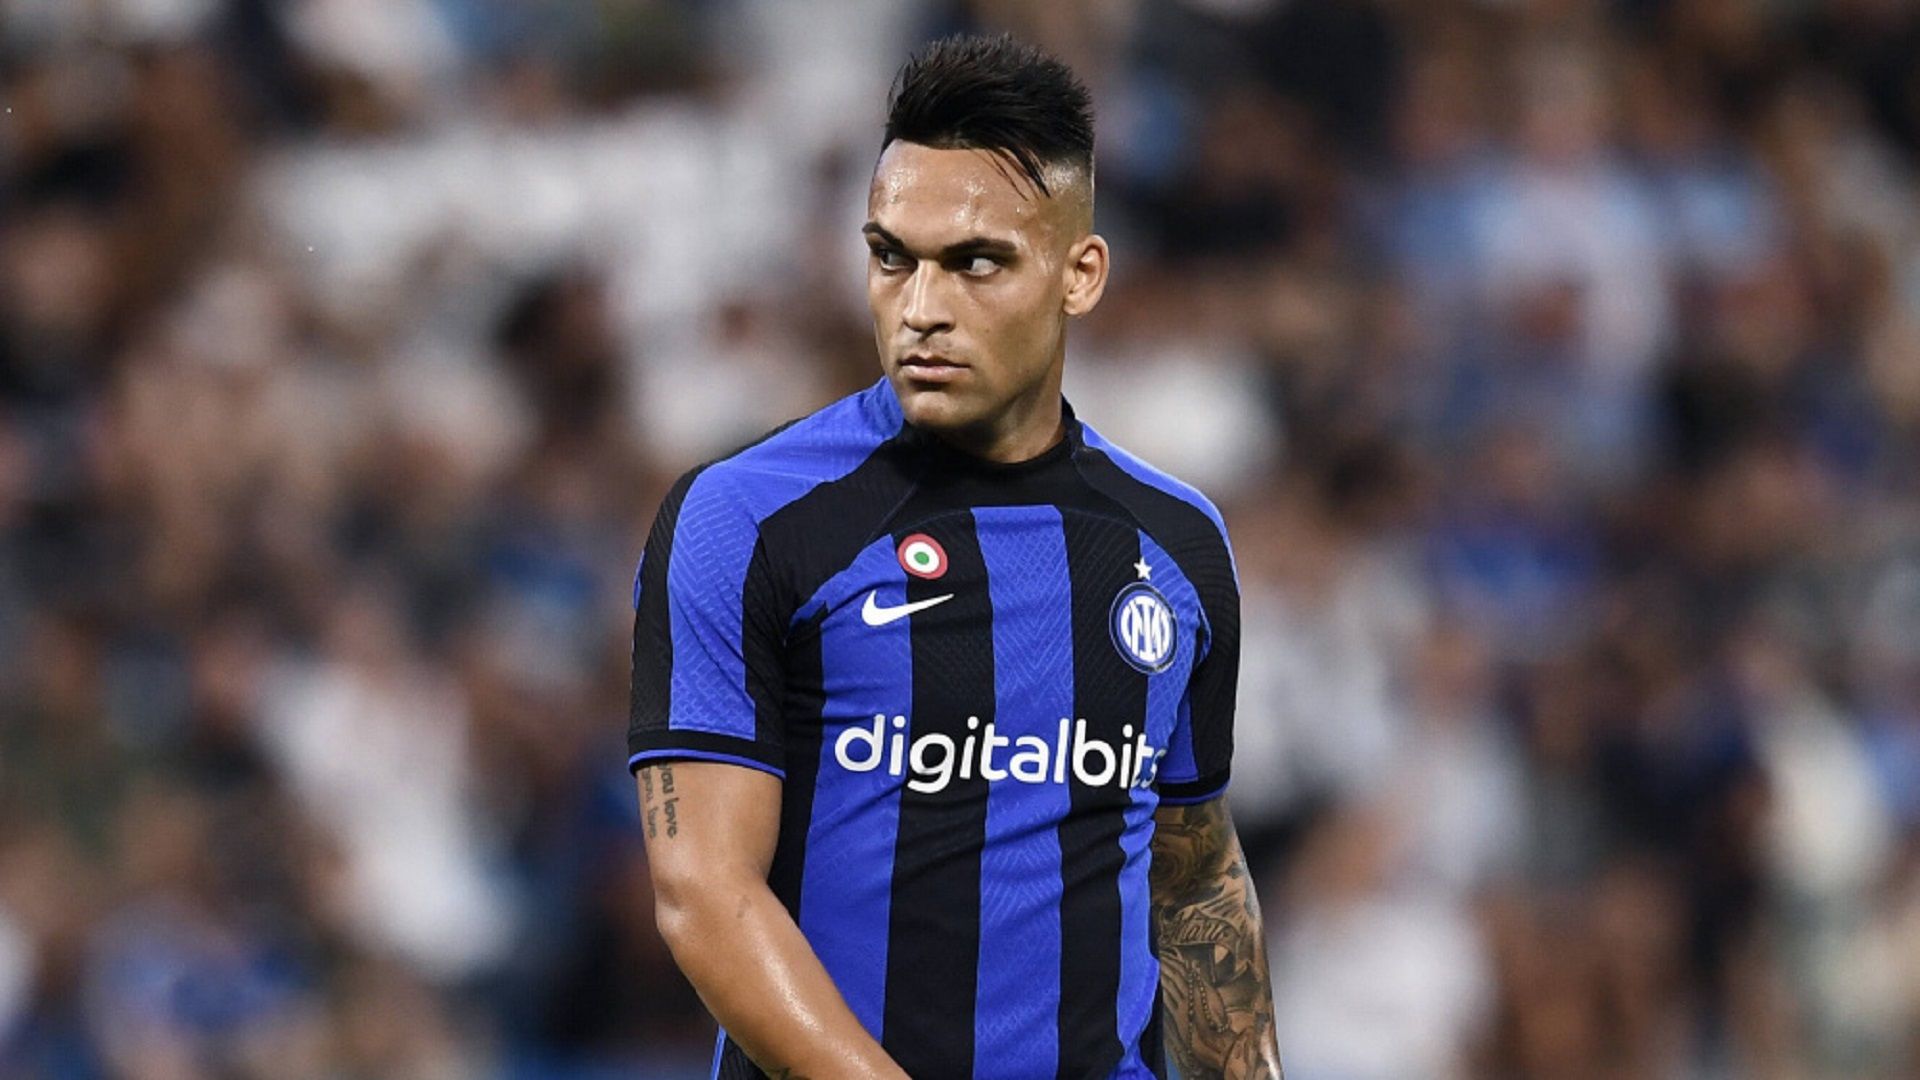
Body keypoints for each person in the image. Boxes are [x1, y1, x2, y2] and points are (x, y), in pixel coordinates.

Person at [628, 33, 1284, 1080]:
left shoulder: (1175, 545)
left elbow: (1195, 881)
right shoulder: (746, 520)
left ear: (1080, 275)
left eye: (976, 262)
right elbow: (704, 897)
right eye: (892, 257)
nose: (922, 308)